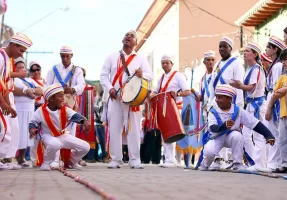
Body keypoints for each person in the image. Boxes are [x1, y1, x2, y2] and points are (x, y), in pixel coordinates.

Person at [100, 30, 153, 169]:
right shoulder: (111, 57)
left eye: (132, 36)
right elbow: (103, 76)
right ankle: (116, 159)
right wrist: (110, 88)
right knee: (114, 128)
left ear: (136, 42)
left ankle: (135, 159)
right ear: (122, 40)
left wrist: (143, 74)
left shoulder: (140, 58)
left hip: (133, 100)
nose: (128, 37)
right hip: (115, 98)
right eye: (126, 35)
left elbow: (150, 75)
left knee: (134, 129)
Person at [198, 84, 275, 171]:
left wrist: (268, 135)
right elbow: (213, 128)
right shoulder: (213, 111)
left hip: (231, 138)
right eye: (216, 97)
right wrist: (224, 126)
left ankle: (237, 163)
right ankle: (205, 164)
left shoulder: (238, 111)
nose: (217, 100)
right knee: (209, 152)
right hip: (216, 138)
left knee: (237, 136)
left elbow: (254, 123)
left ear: (229, 99)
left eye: (220, 97)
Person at [28, 83, 91, 171]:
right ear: (51, 99)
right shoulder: (41, 110)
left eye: (63, 96)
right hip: (47, 136)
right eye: (60, 96)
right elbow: (32, 122)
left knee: (85, 146)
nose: (63, 99)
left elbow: (75, 116)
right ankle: (46, 163)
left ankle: (71, 162)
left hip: (62, 136)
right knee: (55, 144)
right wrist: (32, 129)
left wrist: (85, 122)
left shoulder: (65, 109)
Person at [207, 36, 245, 169]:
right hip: (217, 104)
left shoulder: (236, 64)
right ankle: (217, 160)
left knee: (232, 132)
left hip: (231, 104)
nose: (222, 49)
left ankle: (234, 161)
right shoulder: (217, 64)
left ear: (231, 48)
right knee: (218, 131)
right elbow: (212, 85)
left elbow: (239, 87)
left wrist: (239, 106)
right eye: (220, 46)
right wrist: (210, 102)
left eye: (225, 46)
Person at [230, 42, 268, 171]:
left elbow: (252, 88)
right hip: (251, 105)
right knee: (246, 135)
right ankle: (254, 162)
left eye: (247, 51)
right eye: (244, 51)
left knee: (257, 135)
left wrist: (240, 86)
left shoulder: (256, 69)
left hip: (257, 105)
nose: (244, 53)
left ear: (255, 54)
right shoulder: (249, 69)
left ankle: (260, 164)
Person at [151, 55, 191, 168]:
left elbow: (187, 91)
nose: (164, 65)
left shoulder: (178, 76)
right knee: (165, 134)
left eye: (167, 63)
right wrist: (151, 95)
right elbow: (155, 91)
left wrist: (177, 94)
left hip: (175, 108)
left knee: (172, 132)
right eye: (163, 63)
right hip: (163, 108)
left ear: (172, 64)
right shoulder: (162, 77)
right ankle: (169, 159)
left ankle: (171, 160)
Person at [0, 33, 32, 170]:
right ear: (13, 44)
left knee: (11, 129)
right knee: (3, 129)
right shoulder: (1, 58)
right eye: (21, 50)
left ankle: (5, 159)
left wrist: (8, 105)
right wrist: (4, 103)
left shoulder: (7, 59)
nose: (21, 55)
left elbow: (5, 84)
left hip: (4, 96)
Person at [265, 48, 287, 173]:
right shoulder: (283, 78)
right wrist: (269, 107)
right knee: (283, 140)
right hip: (283, 113)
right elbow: (275, 94)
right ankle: (286, 163)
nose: (284, 63)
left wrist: (282, 91)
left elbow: (280, 92)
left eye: (286, 59)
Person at [46, 46, 86, 136]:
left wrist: (72, 89)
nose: (65, 59)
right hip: (55, 106)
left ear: (71, 56)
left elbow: (81, 85)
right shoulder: (53, 69)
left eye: (67, 56)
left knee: (70, 133)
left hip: (70, 105)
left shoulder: (77, 70)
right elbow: (47, 85)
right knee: (55, 132)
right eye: (63, 56)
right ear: (60, 55)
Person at [13, 58, 43, 168]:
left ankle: (21, 159)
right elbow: (12, 89)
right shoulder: (13, 79)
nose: (21, 69)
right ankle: (9, 158)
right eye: (19, 67)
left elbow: (40, 90)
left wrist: (32, 90)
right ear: (15, 69)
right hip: (18, 110)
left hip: (29, 110)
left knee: (26, 135)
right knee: (17, 134)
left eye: (22, 67)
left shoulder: (30, 81)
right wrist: (26, 91)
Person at [264, 35, 286, 170]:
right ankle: (273, 162)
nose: (266, 49)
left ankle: (274, 162)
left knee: (274, 132)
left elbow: (277, 87)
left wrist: (270, 106)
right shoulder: (274, 65)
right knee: (271, 131)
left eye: (268, 47)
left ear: (275, 49)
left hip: (274, 98)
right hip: (271, 96)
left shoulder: (277, 66)